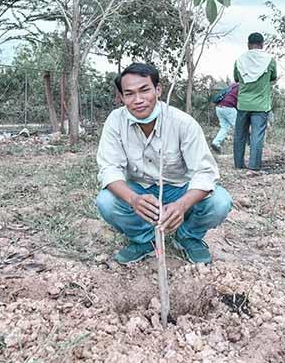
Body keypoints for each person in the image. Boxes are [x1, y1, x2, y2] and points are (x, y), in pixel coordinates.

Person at [96, 63, 232, 265]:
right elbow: (109, 169)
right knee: (106, 201)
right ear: (122, 98)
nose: (138, 100)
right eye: (129, 94)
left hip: (179, 189)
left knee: (220, 202)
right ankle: (144, 240)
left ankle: (188, 237)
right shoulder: (115, 121)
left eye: (144, 90)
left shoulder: (183, 123)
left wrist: (181, 204)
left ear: (158, 90)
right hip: (140, 190)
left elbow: (205, 172)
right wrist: (134, 199)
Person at [233, 32, 277, 170]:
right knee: (257, 136)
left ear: (248, 44)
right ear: (262, 44)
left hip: (243, 103)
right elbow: (273, 77)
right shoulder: (269, 60)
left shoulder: (239, 60)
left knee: (240, 134)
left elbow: (236, 79)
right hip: (261, 105)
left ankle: (239, 165)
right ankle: (254, 166)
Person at [210, 82, 239, 154]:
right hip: (228, 107)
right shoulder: (241, 87)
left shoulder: (232, 86)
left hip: (219, 107)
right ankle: (241, 146)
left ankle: (216, 143)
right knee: (239, 127)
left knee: (224, 127)